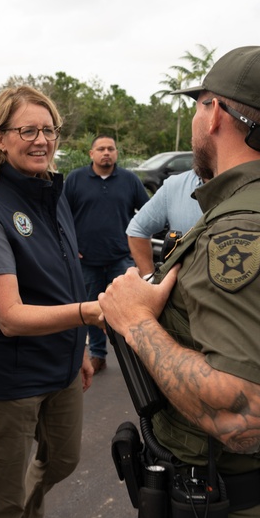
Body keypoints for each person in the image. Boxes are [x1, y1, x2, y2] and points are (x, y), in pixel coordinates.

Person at [99, 46, 260, 518]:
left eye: (199, 103)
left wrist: (135, 322)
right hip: (215, 504)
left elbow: (244, 417)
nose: (196, 116)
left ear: (215, 114)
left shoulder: (247, 231)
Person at [0, 85, 99, 518]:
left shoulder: (53, 193)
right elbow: (9, 316)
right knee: (1, 495)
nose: (42, 140)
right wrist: (91, 315)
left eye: (49, 129)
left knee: (63, 460)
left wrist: (81, 346)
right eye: (27, 130)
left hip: (62, 362)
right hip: (8, 376)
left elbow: (65, 277)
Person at [63, 134, 149, 372]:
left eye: (111, 148)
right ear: (91, 153)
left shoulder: (130, 180)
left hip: (121, 258)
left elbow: (147, 213)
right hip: (86, 261)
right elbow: (61, 216)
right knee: (92, 310)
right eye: (101, 149)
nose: (106, 153)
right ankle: (98, 355)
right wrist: (71, 247)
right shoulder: (75, 179)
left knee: (128, 310)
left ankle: (135, 358)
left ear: (116, 153)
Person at [125, 168, 203, 277]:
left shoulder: (128, 178)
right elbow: (138, 229)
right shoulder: (175, 185)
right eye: (101, 149)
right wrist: (150, 278)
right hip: (185, 290)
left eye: (110, 149)